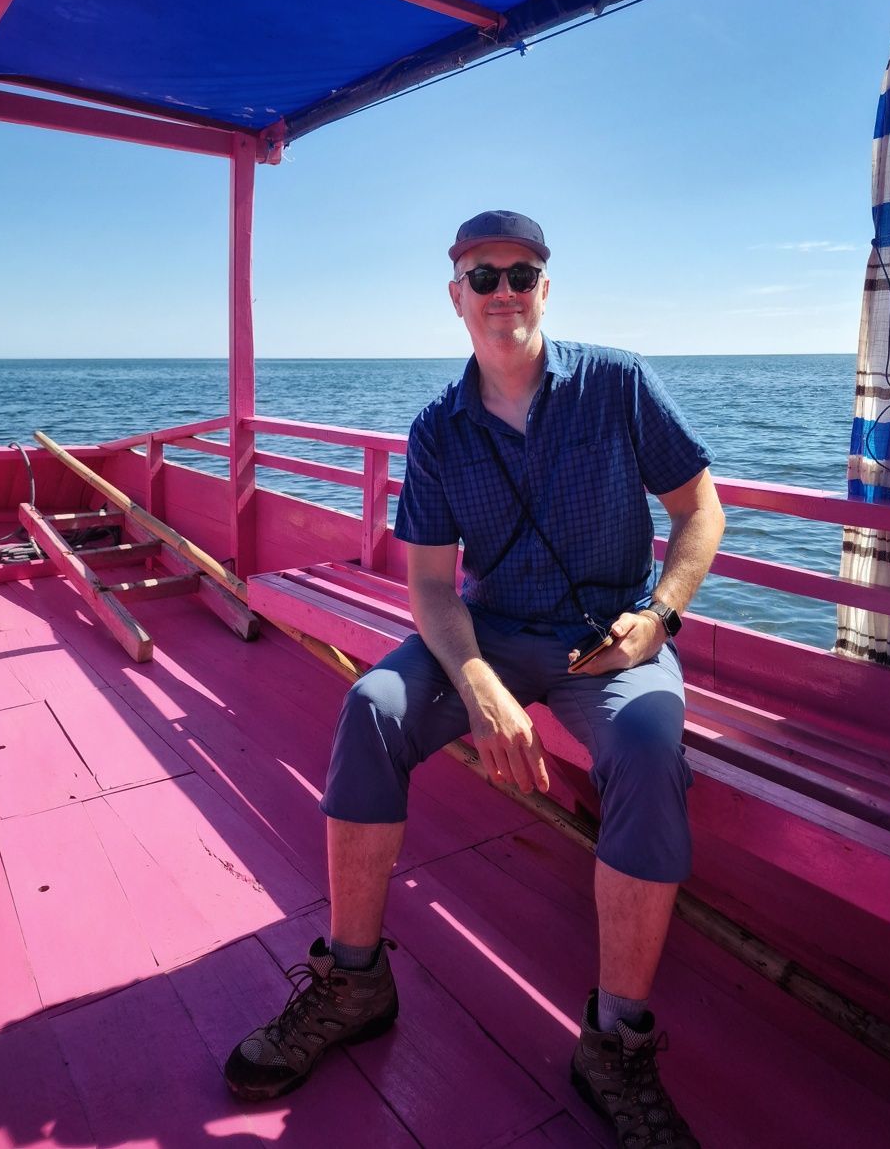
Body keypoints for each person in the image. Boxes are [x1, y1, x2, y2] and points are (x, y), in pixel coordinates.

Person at [226, 210, 725, 1147]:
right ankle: (354, 980)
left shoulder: (616, 384)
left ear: (545, 289)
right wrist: (480, 684)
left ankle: (614, 1042)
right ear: (454, 297)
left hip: (606, 641)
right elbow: (428, 584)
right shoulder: (438, 430)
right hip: (486, 634)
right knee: (372, 706)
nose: (504, 292)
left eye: (521, 274)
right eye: (483, 277)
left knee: (649, 750)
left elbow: (701, 511)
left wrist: (658, 615)